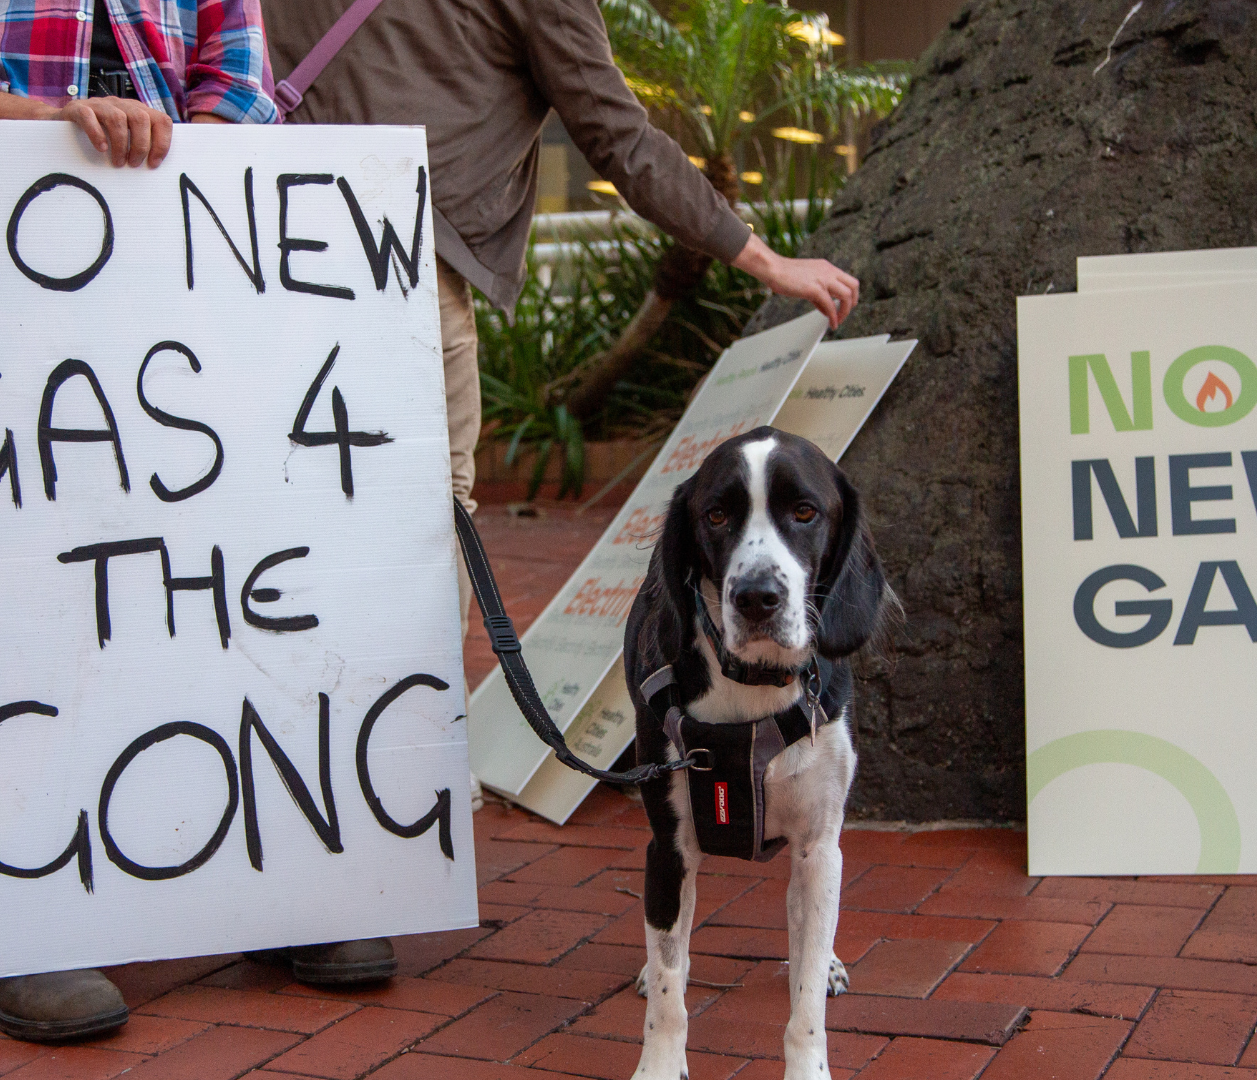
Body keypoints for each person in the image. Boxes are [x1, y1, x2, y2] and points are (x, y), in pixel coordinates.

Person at [255, 0, 862, 989]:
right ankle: (358, 849)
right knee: (413, 538)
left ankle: (249, 840)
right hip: (387, 259)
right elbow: (614, 132)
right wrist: (763, 257)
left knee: (264, 542)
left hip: (242, 244)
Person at [0, 0, 278, 1044]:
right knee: (21, 580)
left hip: (173, 257)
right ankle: (23, 910)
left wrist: (172, 164)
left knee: (200, 567)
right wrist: (49, 130)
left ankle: (280, 877)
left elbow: (241, 79)